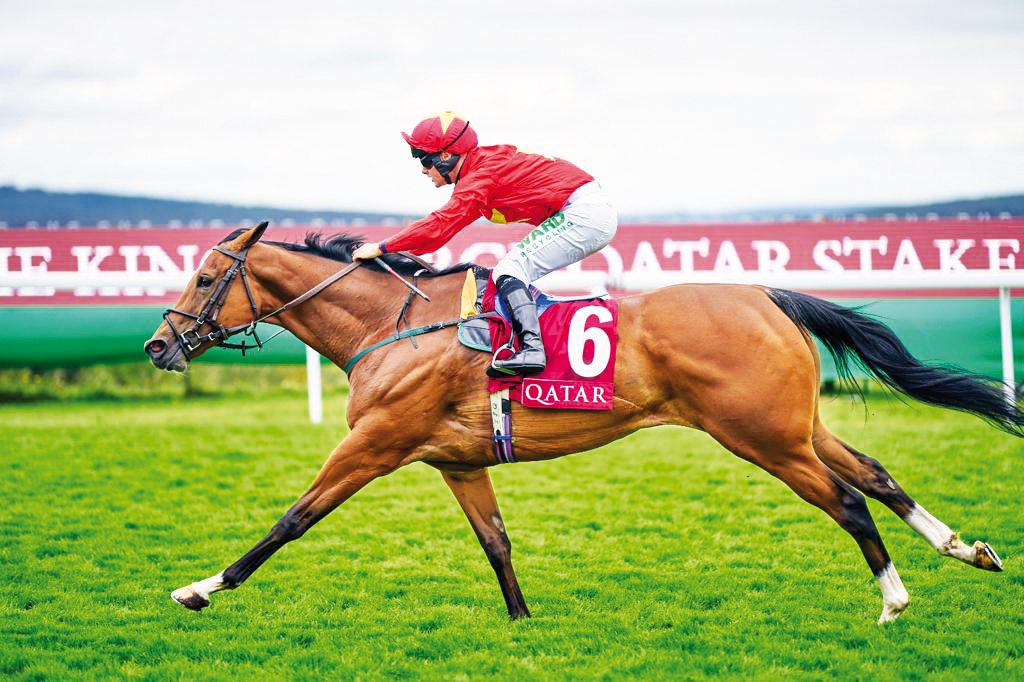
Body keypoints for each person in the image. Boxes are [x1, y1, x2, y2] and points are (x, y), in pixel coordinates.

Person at [352, 111, 617, 376]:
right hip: (585, 210)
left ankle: (533, 349)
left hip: (584, 213)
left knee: (509, 271)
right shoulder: (481, 167)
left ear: (446, 156)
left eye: (425, 159)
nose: (423, 169)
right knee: (510, 270)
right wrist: (397, 247)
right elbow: (440, 233)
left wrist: (382, 247)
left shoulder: (480, 177)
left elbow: (439, 224)